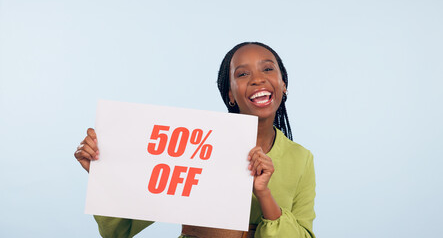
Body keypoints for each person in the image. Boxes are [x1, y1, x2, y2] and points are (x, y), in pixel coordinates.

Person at [74, 42, 316, 238]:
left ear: (283, 84)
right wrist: (104, 172)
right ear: (230, 94)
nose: (257, 79)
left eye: (267, 69)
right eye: (242, 74)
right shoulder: (196, 145)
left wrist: (264, 194)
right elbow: (118, 230)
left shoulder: (301, 159)